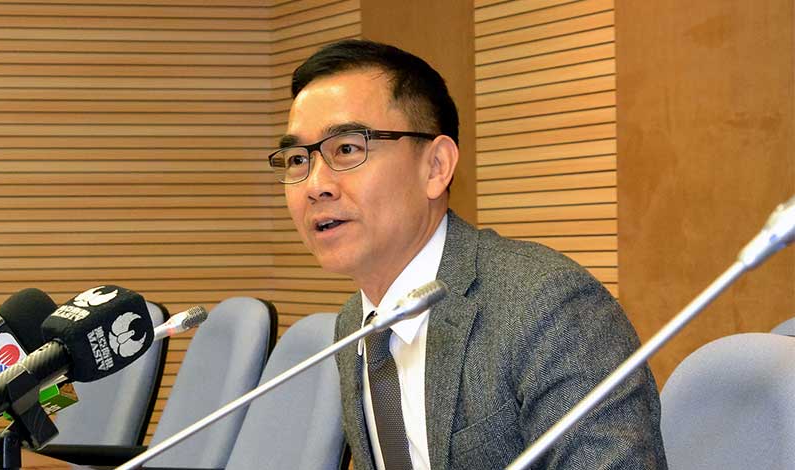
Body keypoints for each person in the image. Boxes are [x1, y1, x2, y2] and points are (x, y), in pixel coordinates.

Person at [268, 39, 667, 470]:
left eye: (347, 149)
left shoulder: (547, 308)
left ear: (436, 167)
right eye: (297, 160)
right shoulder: (355, 324)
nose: (315, 185)